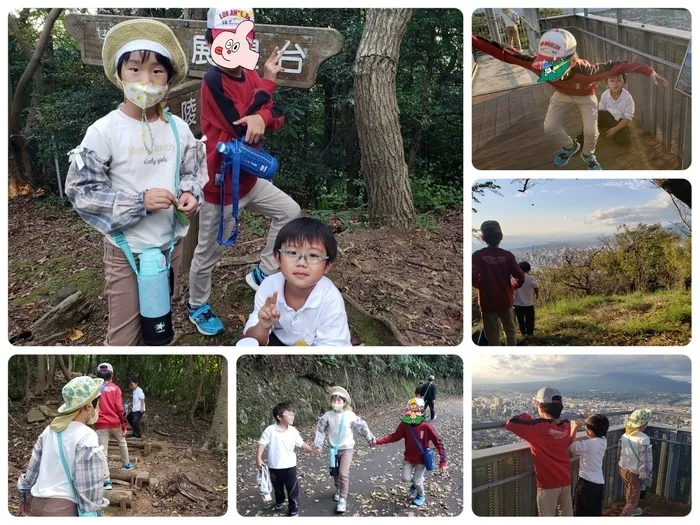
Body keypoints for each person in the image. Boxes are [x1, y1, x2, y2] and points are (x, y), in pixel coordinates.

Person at [65, 18, 207, 345]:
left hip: (170, 244)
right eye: (135, 69)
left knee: (158, 319)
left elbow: (193, 169)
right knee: (124, 335)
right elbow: (81, 190)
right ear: (119, 76)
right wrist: (138, 202)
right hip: (125, 249)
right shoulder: (104, 131)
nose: (146, 80)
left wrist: (189, 193)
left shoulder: (178, 128)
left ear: (169, 79)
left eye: (157, 71)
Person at [188, 8, 301, 336]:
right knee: (210, 251)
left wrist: (262, 116)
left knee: (290, 212)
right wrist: (266, 91)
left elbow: (274, 114)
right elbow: (240, 127)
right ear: (212, 41)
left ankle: (263, 272)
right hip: (221, 187)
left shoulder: (251, 75)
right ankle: (197, 304)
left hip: (250, 178)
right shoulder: (213, 81)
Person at [472, 29, 668, 170]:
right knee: (550, 127)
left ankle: (588, 154)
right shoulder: (538, 65)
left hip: (586, 97)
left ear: (570, 60)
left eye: (554, 64)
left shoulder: (588, 71)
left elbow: (621, 66)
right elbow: (504, 53)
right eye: (546, 63)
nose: (548, 69)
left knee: (591, 131)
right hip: (562, 95)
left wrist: (650, 72)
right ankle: (570, 146)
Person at [243, 218, 351, 346]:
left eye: (313, 255)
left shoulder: (330, 299)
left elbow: (334, 348)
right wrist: (263, 325)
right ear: (278, 258)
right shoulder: (269, 287)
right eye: (292, 252)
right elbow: (252, 340)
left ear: (327, 266)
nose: (301, 263)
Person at [17, 376, 109, 516]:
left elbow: (32, 470)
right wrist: (95, 511)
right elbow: (89, 485)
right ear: (89, 406)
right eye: (97, 404)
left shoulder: (49, 430)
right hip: (63, 509)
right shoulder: (87, 436)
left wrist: (23, 496)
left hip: (37, 504)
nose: (98, 408)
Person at [505, 387, 572, 517]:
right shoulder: (566, 425)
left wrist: (526, 416)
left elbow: (511, 423)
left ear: (541, 408)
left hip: (548, 484)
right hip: (566, 479)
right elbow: (553, 429)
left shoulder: (537, 428)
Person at [371, 397, 447, 506]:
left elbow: (438, 443)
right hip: (409, 458)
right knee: (405, 478)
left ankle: (421, 494)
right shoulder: (405, 425)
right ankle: (417, 482)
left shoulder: (426, 427)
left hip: (422, 459)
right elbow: (393, 437)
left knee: (417, 480)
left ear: (421, 412)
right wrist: (377, 441)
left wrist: (443, 461)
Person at [314, 387, 375, 514]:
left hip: (347, 449)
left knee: (343, 473)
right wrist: (318, 445)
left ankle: (343, 499)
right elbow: (320, 429)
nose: (336, 402)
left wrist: (370, 438)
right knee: (335, 473)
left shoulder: (350, 416)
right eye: (334, 399)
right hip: (333, 450)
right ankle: (338, 489)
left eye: (338, 400)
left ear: (344, 402)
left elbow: (362, 427)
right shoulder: (327, 416)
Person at [256, 402, 318, 517]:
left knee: (293, 489)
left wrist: (312, 450)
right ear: (280, 417)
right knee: (278, 488)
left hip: (290, 466)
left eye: (292, 414)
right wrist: (258, 459)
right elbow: (262, 444)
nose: (292, 416)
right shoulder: (270, 430)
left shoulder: (293, 431)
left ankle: (293, 509)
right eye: (289, 414)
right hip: (275, 467)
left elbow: (300, 443)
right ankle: (279, 502)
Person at [472, 220, 525, 346]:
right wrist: (512, 287)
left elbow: (472, 276)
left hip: (487, 302)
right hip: (505, 300)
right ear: (500, 237)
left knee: (492, 337)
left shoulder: (478, 256)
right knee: (510, 333)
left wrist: (482, 286)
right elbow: (520, 277)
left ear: (483, 237)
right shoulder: (507, 255)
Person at [94, 363, 133, 490]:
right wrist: (124, 424)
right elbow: (119, 408)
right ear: (112, 375)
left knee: (103, 452)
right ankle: (126, 464)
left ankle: (106, 481)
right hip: (115, 422)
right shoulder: (115, 388)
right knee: (122, 442)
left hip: (100, 423)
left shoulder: (94, 388)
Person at [569, 413, 609, 516]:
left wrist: (574, 428)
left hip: (586, 483)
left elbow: (571, 447)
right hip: (598, 483)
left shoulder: (589, 444)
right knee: (594, 513)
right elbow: (597, 426)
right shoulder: (603, 441)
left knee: (580, 513)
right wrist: (588, 419)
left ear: (590, 432)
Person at [618, 409, 653, 517]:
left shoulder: (625, 435)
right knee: (633, 500)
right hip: (635, 473)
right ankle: (627, 513)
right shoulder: (644, 439)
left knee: (630, 490)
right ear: (643, 424)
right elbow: (645, 461)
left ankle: (631, 509)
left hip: (623, 470)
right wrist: (646, 477)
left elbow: (619, 452)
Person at [598, 73, 634, 146]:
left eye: (619, 80)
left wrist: (615, 130)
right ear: (607, 83)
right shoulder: (605, 94)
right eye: (611, 81)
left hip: (620, 121)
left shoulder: (628, 97)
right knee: (597, 114)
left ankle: (617, 131)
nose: (615, 83)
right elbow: (601, 112)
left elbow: (628, 118)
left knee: (623, 142)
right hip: (607, 117)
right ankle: (582, 139)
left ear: (624, 83)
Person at [513, 261, 539, 336]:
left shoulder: (514, 279)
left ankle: (523, 333)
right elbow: (535, 287)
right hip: (529, 303)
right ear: (529, 269)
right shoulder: (530, 278)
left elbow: (512, 288)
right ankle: (530, 333)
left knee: (520, 320)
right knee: (530, 320)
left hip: (517, 304)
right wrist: (537, 295)